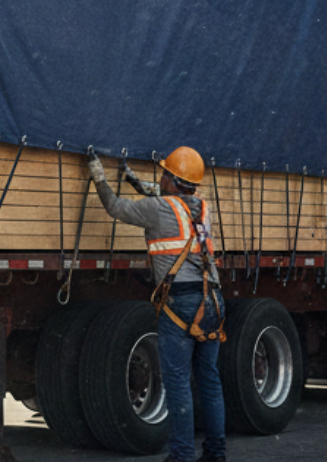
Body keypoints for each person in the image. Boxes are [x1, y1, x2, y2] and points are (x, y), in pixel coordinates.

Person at [88, 145, 226, 462]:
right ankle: (216, 454)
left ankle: (181, 456)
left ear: (173, 180)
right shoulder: (203, 208)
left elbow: (114, 207)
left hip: (181, 303)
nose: (160, 178)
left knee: (177, 382)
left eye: (165, 174)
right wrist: (135, 180)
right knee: (209, 379)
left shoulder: (159, 210)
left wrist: (99, 176)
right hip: (213, 300)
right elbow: (166, 198)